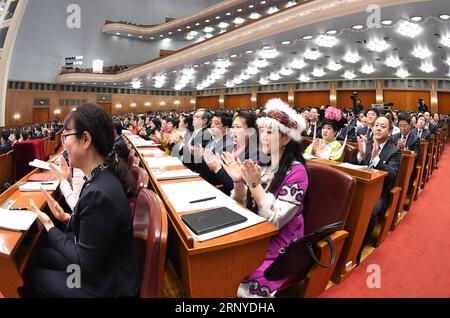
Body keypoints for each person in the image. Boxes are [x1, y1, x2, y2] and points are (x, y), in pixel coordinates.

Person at [29, 103, 140, 297]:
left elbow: (84, 264)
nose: (64, 144)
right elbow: (95, 227)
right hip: (101, 265)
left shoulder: (100, 193)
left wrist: (49, 226)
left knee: (37, 276)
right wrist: (65, 218)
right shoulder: (102, 175)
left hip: (105, 284)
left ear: (86, 139)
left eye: (66, 137)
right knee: (41, 255)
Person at [221, 99, 309, 298]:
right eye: (263, 132)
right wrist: (238, 182)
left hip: (280, 242)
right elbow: (243, 205)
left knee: (241, 274)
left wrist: (254, 185)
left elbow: (276, 220)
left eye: (271, 132)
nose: (264, 138)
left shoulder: (297, 172)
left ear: (286, 139)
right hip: (256, 233)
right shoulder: (263, 163)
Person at [355, 116, 401, 264]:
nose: (378, 128)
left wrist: (376, 159)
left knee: (370, 209)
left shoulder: (394, 151)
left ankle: (357, 249)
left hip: (379, 194)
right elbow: (355, 166)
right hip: (361, 187)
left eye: (382, 126)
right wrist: (361, 156)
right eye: (376, 125)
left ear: (390, 131)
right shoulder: (368, 144)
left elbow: (392, 176)